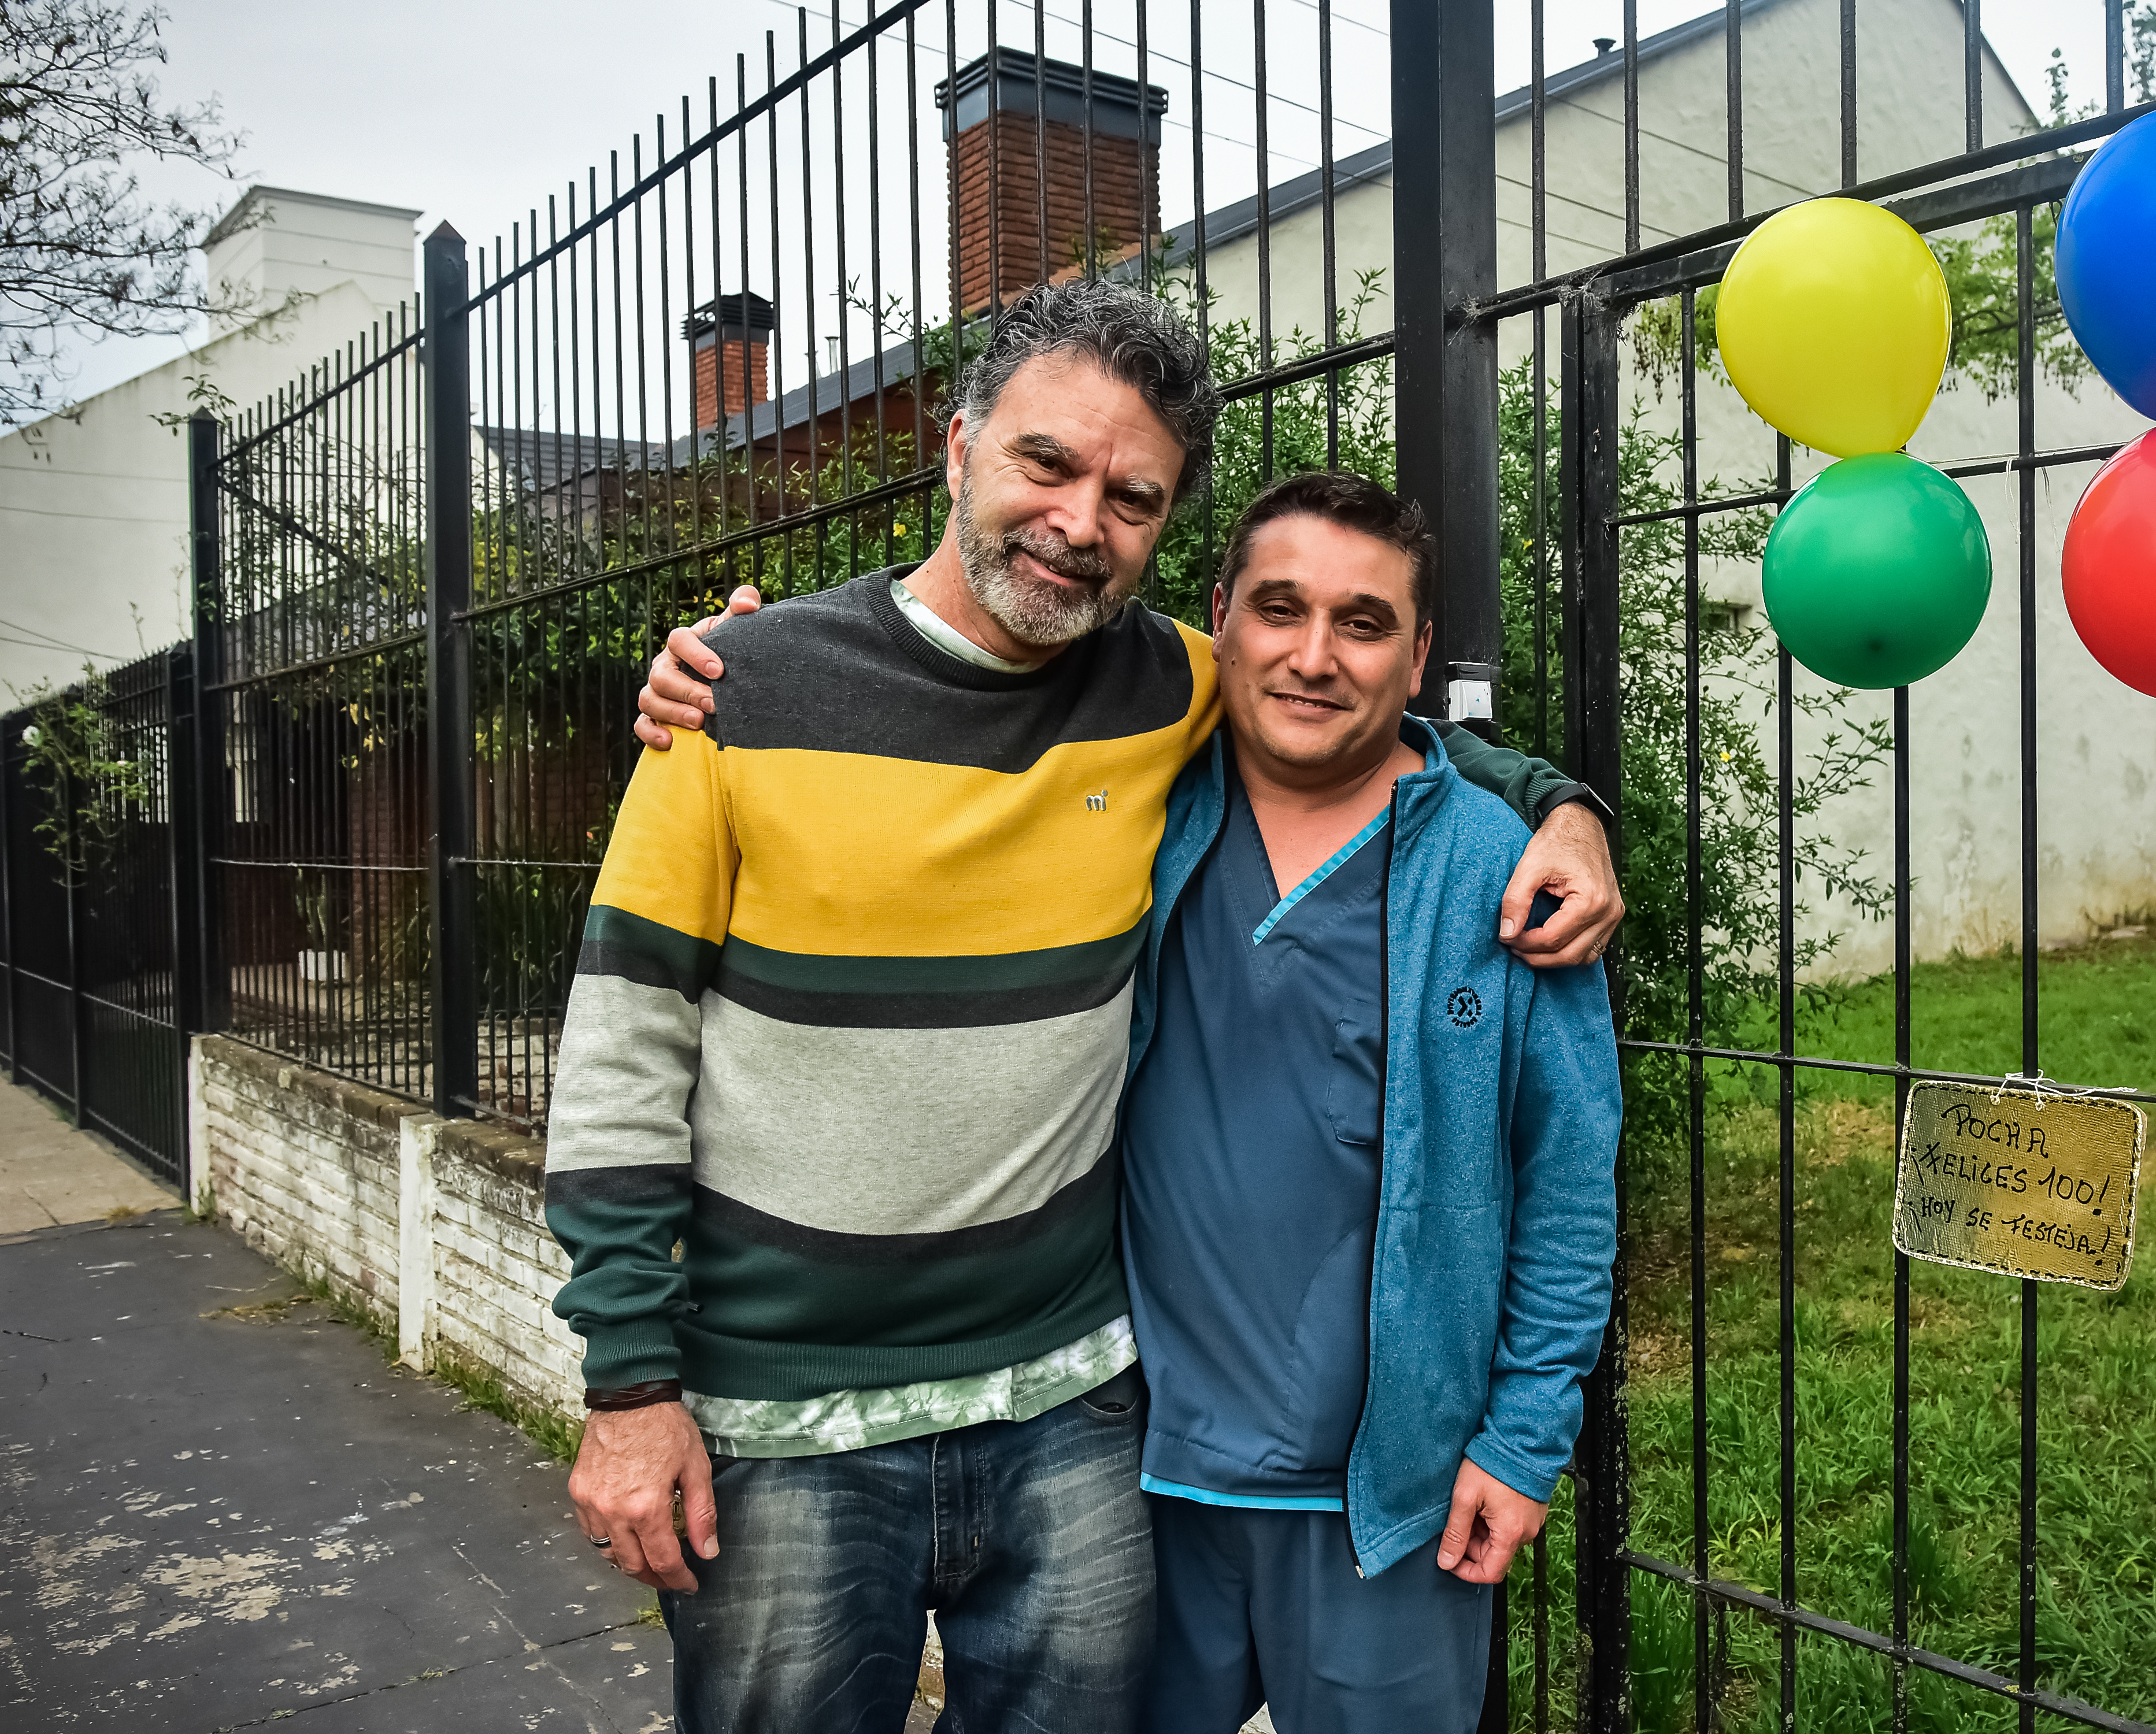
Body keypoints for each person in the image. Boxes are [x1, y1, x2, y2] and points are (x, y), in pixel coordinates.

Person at [548, 277, 1622, 1732]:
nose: (1078, 520)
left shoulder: (1166, 687)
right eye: (1046, 464)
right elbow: (622, 1053)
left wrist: (1563, 806)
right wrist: (628, 1387)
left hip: (1071, 1408)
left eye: (1133, 496)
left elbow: (1376, 729)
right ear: (959, 451)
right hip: (791, 1424)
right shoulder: (744, 689)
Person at [1124, 469, 1618, 1732]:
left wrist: (1523, 1438)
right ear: (1219, 620)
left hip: (1390, 1501)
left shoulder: (1501, 872)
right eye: (1279, 610)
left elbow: (1567, 1181)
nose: (1311, 656)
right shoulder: (1126, 809)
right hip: (1132, 1473)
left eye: (1362, 623)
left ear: (1416, 660)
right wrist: (754, 658)